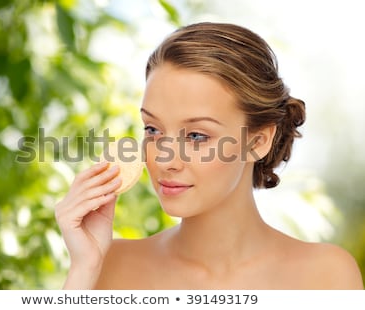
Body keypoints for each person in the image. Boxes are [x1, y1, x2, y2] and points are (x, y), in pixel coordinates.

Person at [55, 22, 364, 289]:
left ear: (258, 140)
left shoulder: (326, 276)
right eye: (152, 130)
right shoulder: (112, 266)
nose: (164, 159)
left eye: (196, 136)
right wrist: (84, 270)